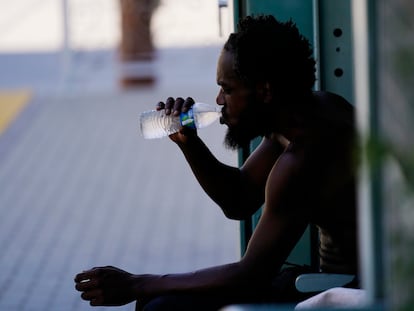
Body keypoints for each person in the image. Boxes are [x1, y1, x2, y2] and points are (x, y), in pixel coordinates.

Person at [74, 15, 359, 310]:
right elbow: (239, 198)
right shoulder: (309, 112)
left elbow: (251, 274)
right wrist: (189, 142)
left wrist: (138, 283)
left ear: (264, 91)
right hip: (327, 283)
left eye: (228, 88)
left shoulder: (305, 156)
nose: (219, 100)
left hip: (345, 292)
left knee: (161, 306)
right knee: (157, 300)